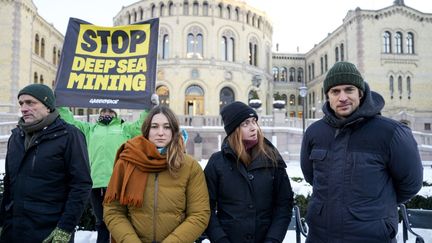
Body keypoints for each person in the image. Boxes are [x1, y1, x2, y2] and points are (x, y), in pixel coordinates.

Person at [300, 61, 424, 243]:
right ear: (328, 96)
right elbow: (311, 176)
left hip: (371, 236)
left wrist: (374, 210)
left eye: (349, 89)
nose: (342, 97)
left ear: (361, 92)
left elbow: (411, 183)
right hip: (320, 235)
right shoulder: (314, 132)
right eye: (335, 91)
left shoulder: (391, 132)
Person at [103, 105, 210, 243]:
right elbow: (113, 210)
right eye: (154, 127)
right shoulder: (127, 161)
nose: (161, 132)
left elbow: (199, 214)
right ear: (146, 130)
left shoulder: (189, 167)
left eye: (166, 127)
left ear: (174, 131)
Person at [0, 84, 92, 242]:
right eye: (21, 103)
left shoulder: (70, 136)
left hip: (48, 231)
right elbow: (9, 184)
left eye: (30, 103)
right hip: (14, 231)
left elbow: (81, 185)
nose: (24, 108)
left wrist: (65, 229)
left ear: (48, 106)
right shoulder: (16, 137)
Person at [58, 98, 153, 243]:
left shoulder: (125, 128)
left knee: (118, 222)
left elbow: (142, 125)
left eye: (110, 111)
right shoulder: (90, 129)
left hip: (117, 183)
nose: (107, 113)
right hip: (95, 183)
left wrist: (149, 107)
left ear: (116, 114)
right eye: (104, 110)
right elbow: (70, 122)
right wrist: (61, 102)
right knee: (101, 222)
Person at [204, 101, 294, 243]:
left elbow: (284, 205)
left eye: (254, 122)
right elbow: (205, 207)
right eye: (246, 124)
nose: (254, 128)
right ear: (234, 129)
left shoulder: (272, 158)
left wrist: (273, 239)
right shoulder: (217, 162)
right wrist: (220, 239)